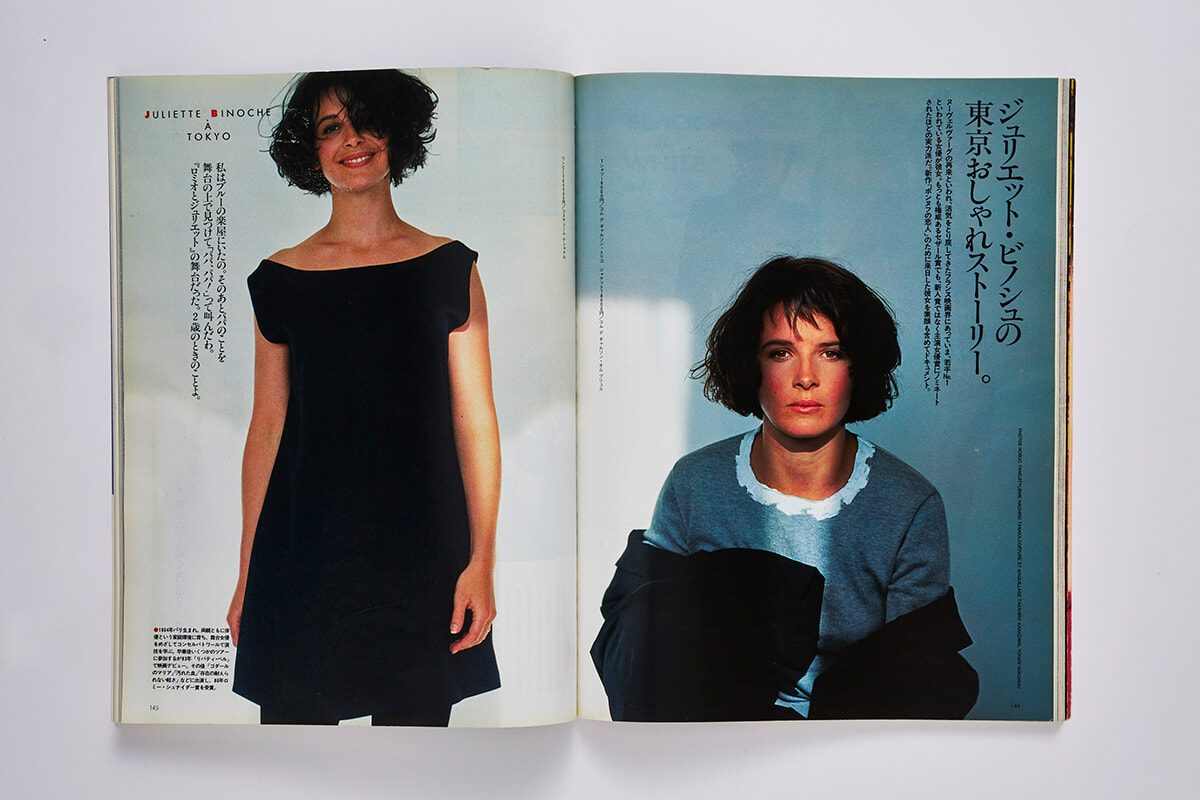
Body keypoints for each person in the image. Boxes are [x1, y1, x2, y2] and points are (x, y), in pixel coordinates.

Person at [226, 70, 501, 726]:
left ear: (395, 133)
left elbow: (476, 424)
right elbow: (267, 428)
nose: (351, 139)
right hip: (301, 556)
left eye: (365, 121)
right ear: (312, 149)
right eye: (331, 128)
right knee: (294, 755)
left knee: (415, 755)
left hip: (421, 558)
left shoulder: (449, 268)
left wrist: (482, 562)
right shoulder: (279, 278)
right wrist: (246, 575)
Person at [592, 256, 976, 721]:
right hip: (714, 735)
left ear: (858, 366)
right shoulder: (694, 483)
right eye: (781, 352)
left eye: (830, 352)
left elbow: (913, 682)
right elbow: (633, 643)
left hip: (849, 742)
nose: (806, 377)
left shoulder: (910, 504)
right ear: (751, 365)